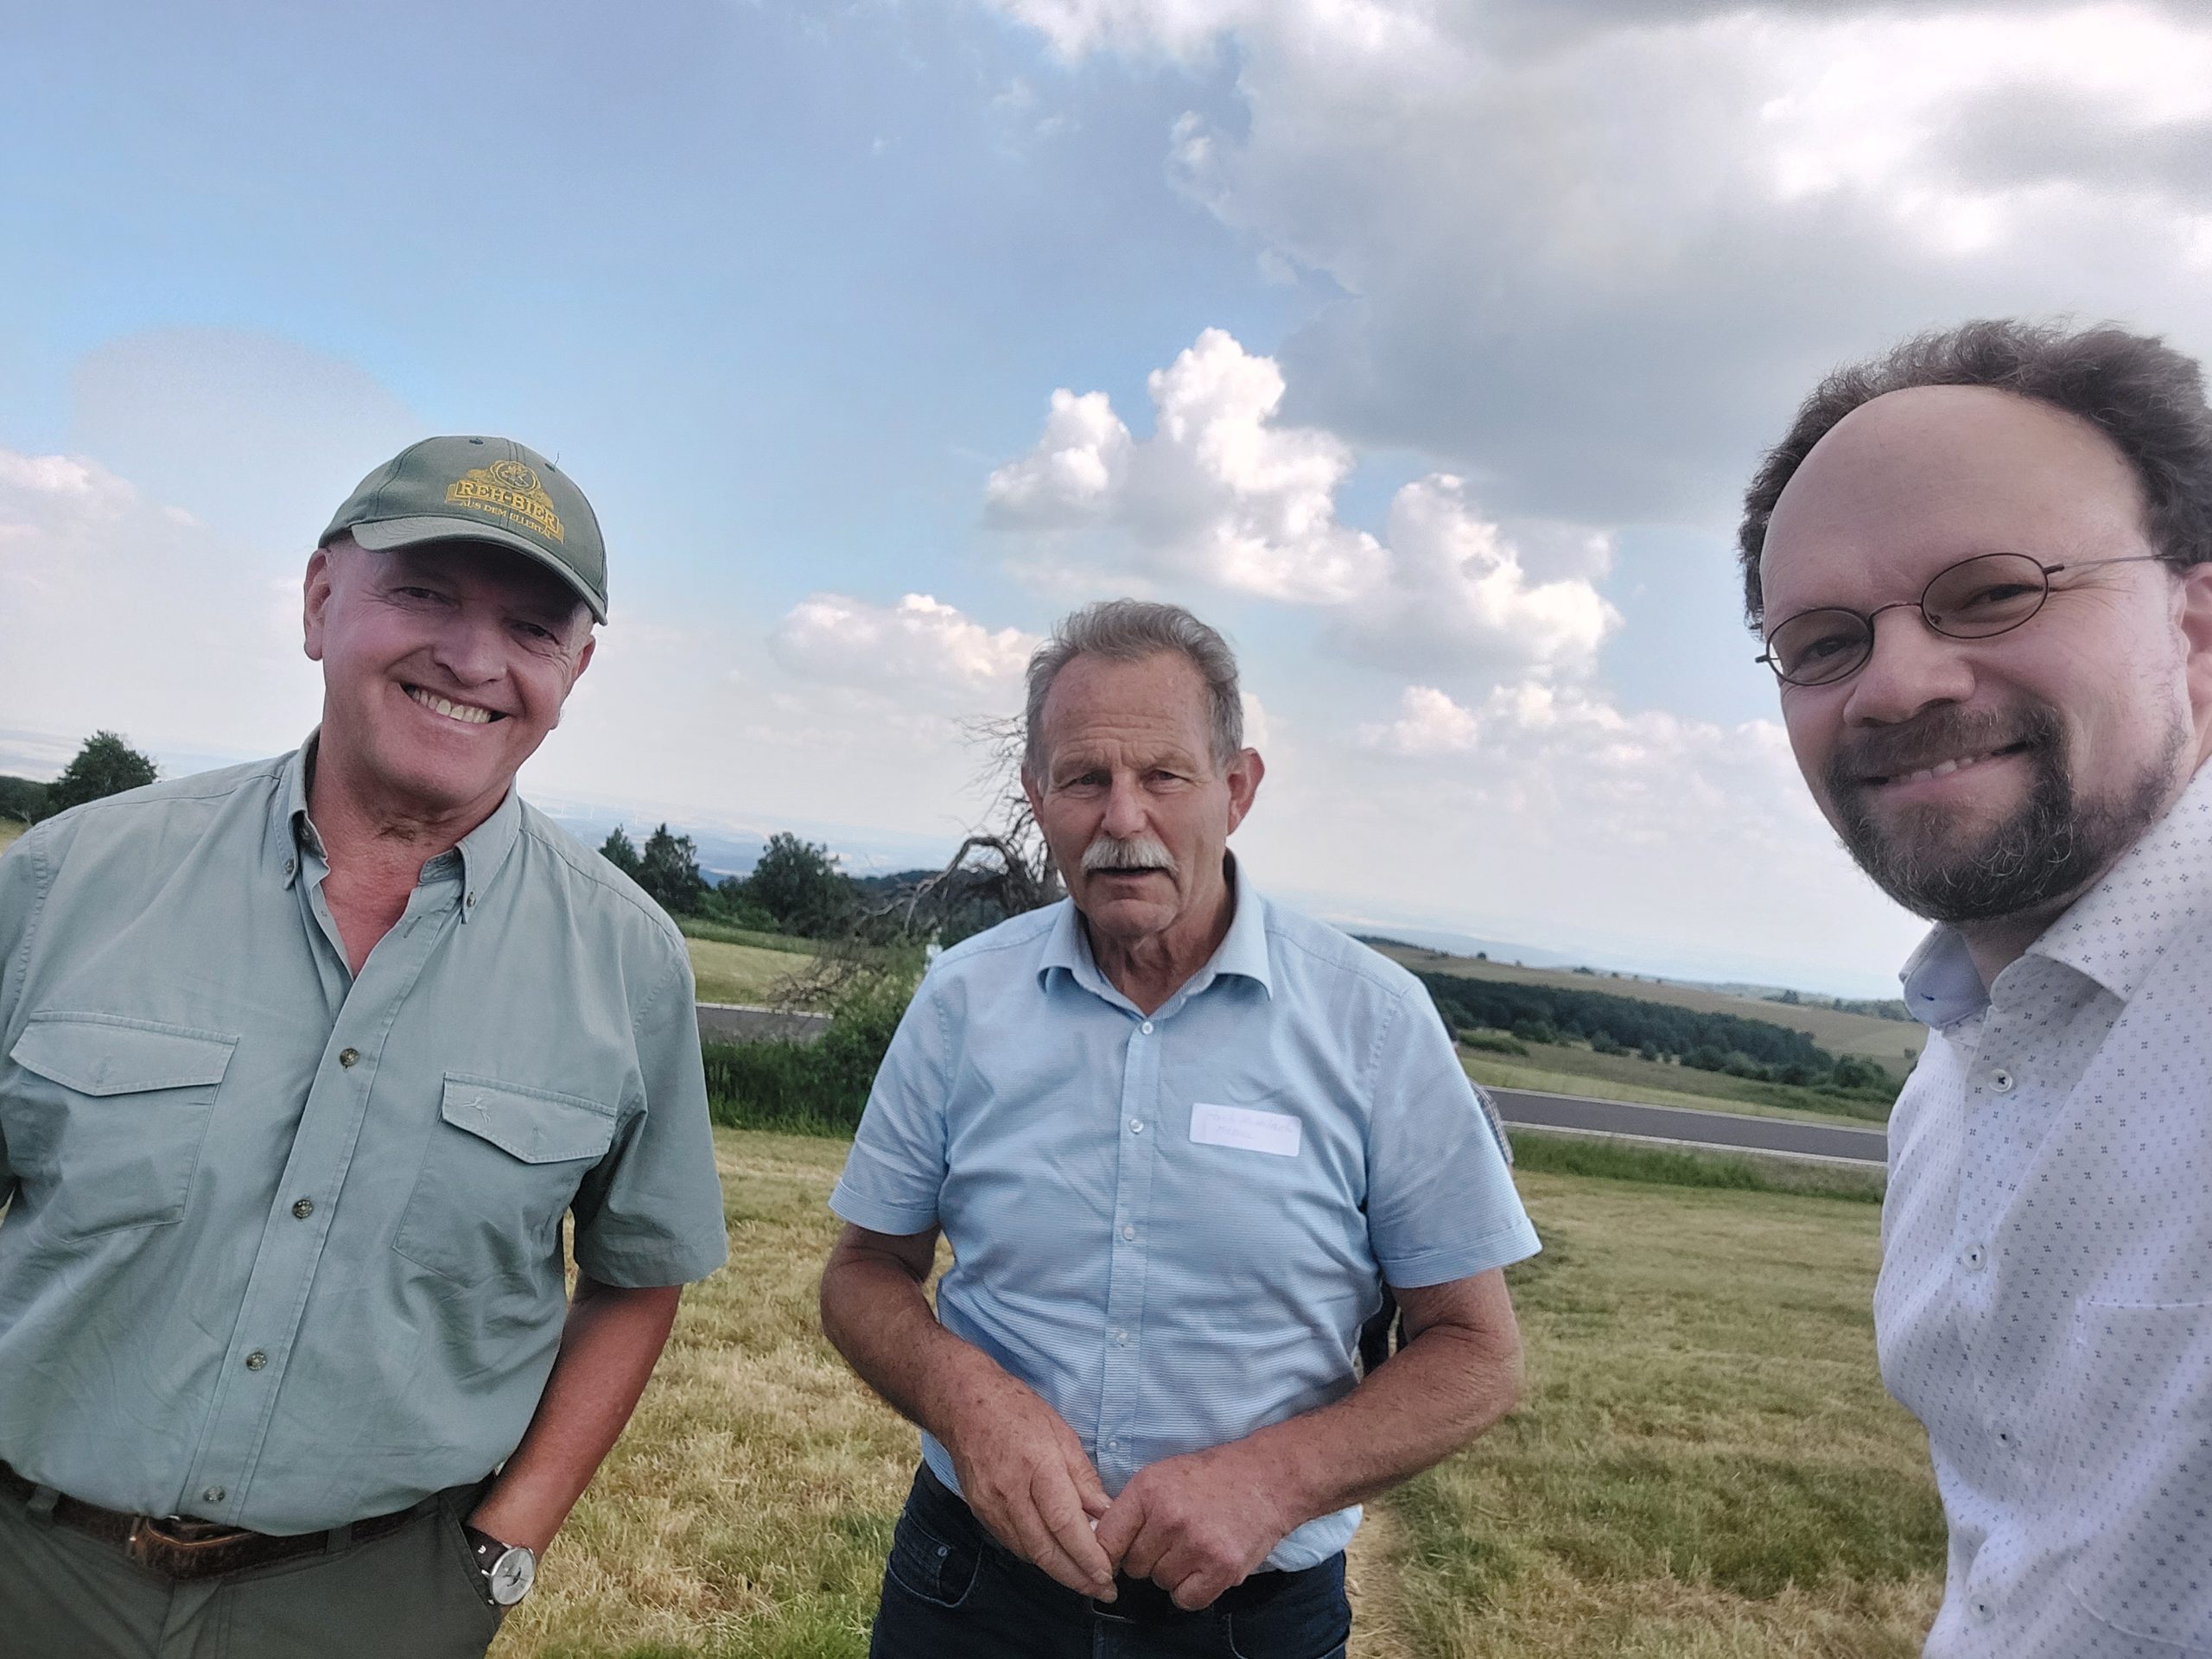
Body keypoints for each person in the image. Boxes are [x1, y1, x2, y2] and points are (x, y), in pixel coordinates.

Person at [0, 436, 729, 1656]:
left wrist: (505, 1545)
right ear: (319, 600)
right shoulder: (72, 877)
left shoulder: (629, 961)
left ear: (577, 668)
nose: (474, 658)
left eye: (534, 628)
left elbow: (637, 1275)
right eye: (426, 593)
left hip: (370, 1606)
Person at [819, 599, 1537, 1658]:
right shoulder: (965, 1002)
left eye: (1163, 776)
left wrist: (1269, 1481)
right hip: (972, 1592)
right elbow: (863, 1272)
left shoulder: (1372, 1023)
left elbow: (1475, 1352)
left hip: (1247, 1622)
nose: (1122, 820)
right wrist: (966, 1402)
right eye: (1083, 780)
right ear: (1036, 799)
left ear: (1235, 790)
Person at [1740, 320, 2212, 1657]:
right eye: (1825, 641)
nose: (1897, 682)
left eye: (1993, 592)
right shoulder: (1952, 1081)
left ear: (2196, 625)